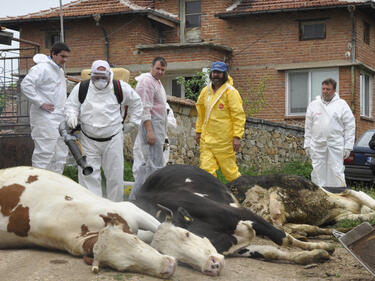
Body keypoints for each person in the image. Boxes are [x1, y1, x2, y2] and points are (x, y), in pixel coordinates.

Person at [64, 60, 143, 202]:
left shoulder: (120, 87)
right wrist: (71, 115)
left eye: (103, 77)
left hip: (113, 138)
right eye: (96, 77)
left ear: (109, 75)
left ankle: (115, 209)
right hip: (88, 139)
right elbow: (71, 105)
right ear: (91, 75)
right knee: (88, 176)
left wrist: (133, 122)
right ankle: (93, 208)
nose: (100, 80)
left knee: (115, 176)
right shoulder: (82, 88)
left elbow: (136, 102)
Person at [21, 42, 70, 174]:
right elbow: (26, 85)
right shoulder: (42, 68)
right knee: (44, 153)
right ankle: (38, 186)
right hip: (44, 118)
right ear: (53, 54)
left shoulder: (59, 70)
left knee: (60, 153)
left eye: (66, 57)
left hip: (59, 117)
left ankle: (55, 185)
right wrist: (41, 103)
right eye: (62, 56)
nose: (64, 60)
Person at [195, 61, 246, 182]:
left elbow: (238, 115)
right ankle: (211, 197)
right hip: (206, 141)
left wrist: (237, 136)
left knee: (231, 173)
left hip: (224, 141)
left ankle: (243, 194)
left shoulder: (231, 92)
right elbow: (200, 113)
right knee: (206, 172)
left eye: (219, 73)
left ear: (225, 74)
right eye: (214, 72)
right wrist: (198, 131)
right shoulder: (205, 92)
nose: (215, 75)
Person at [128, 57, 168, 200]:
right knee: (154, 165)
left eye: (163, 70)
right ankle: (148, 199)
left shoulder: (157, 82)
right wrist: (150, 131)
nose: (160, 72)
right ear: (151, 67)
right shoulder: (146, 82)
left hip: (158, 125)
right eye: (158, 68)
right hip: (150, 125)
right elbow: (144, 108)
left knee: (148, 166)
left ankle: (136, 198)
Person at [304, 78, 355, 187]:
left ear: (334, 90)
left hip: (335, 145)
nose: (325, 91)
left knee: (336, 171)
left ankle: (338, 197)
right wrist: (307, 145)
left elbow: (350, 126)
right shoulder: (314, 105)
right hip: (317, 145)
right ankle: (319, 197)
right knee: (317, 171)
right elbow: (308, 127)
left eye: (328, 89)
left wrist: (348, 146)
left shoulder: (342, 105)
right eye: (323, 89)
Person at [132, 102, 177, 181]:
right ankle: (140, 188)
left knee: (160, 167)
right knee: (139, 166)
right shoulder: (142, 103)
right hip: (143, 138)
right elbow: (135, 119)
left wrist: (160, 119)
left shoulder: (165, 106)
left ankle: (156, 188)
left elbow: (173, 124)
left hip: (161, 139)